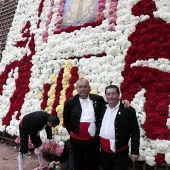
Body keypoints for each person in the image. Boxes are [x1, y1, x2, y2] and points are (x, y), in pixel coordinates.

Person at [63, 78, 130, 170]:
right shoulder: (70, 102)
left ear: (89, 88)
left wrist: (122, 102)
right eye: (80, 87)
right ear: (76, 89)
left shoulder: (98, 99)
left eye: (85, 86)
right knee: (78, 161)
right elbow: (66, 120)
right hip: (76, 139)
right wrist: (72, 132)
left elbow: (111, 105)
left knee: (93, 161)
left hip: (93, 140)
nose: (83, 89)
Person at [97, 85, 140, 170]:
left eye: (113, 94)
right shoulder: (102, 108)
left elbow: (135, 131)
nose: (111, 96)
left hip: (120, 153)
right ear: (105, 96)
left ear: (119, 94)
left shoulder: (128, 110)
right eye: (108, 94)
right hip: (104, 152)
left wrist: (134, 151)